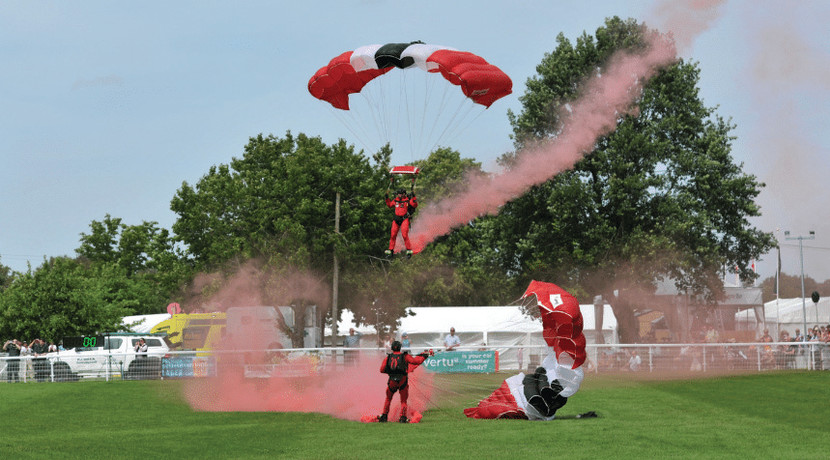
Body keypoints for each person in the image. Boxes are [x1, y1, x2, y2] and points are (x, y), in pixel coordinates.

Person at [376, 340, 432, 423]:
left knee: (388, 398)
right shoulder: (405, 356)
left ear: (392, 348)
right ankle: (402, 417)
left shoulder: (388, 357)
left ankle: (384, 416)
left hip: (392, 381)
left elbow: (381, 369)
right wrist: (424, 356)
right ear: (400, 347)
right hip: (402, 381)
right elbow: (416, 361)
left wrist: (390, 372)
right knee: (403, 401)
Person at [384, 187, 418, 257]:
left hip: (404, 219)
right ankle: (391, 250)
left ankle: (408, 250)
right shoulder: (396, 200)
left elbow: (415, 205)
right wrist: (387, 198)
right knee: (393, 235)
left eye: (400, 194)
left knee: (404, 235)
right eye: (398, 194)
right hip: (396, 220)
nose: (399, 195)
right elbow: (390, 205)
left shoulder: (407, 200)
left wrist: (414, 197)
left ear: (403, 194)